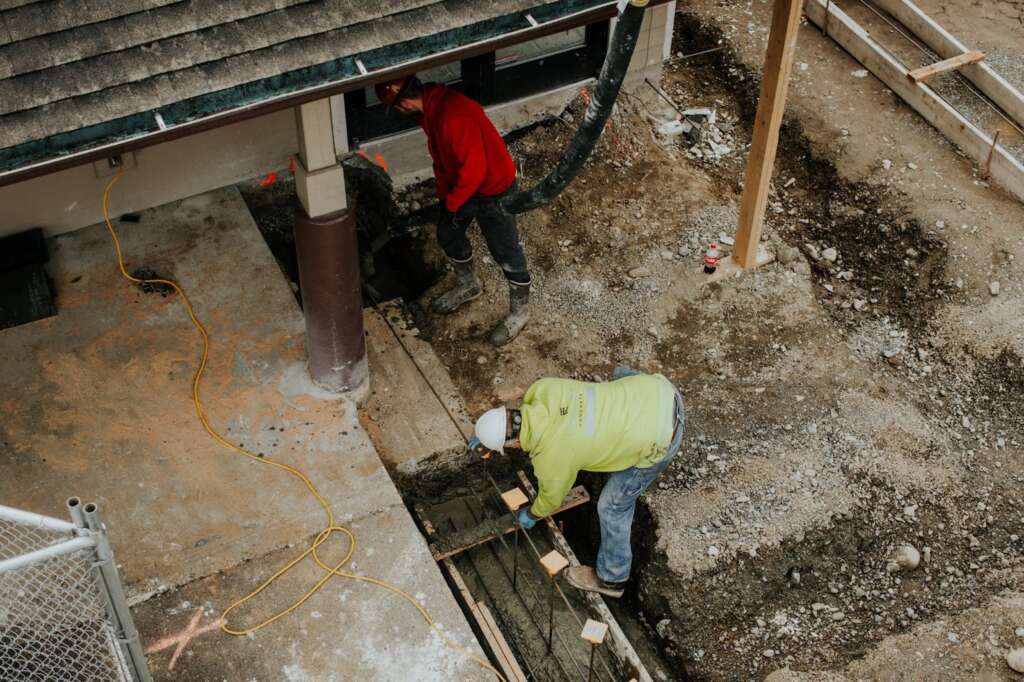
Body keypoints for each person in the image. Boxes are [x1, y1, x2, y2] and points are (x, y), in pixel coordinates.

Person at [471, 367, 685, 597]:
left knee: (611, 508)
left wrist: (532, 514)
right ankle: (619, 439)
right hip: (661, 392)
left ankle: (612, 580)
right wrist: (486, 434)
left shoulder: (552, 457)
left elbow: (551, 500)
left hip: (664, 437)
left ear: (512, 444)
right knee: (619, 375)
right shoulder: (544, 389)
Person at [374, 75, 531, 346]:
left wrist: (453, 203)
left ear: (404, 103)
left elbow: (475, 170)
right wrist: (446, 198)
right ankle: (469, 284)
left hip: (495, 190)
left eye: (397, 108)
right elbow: (444, 160)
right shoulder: (432, 113)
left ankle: (520, 311)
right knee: (448, 233)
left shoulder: (453, 116)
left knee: (505, 249)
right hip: (465, 187)